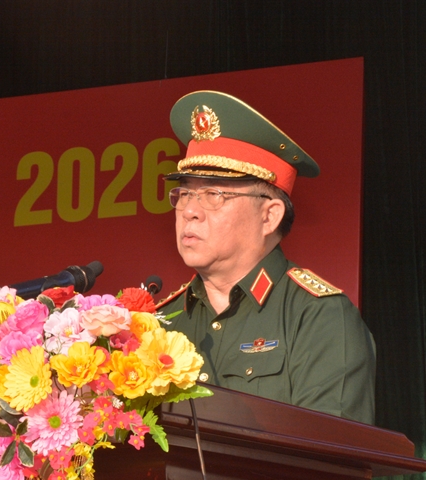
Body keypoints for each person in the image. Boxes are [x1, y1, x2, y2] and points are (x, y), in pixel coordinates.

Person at [157, 90, 376, 426]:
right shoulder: (159, 321)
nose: (189, 211)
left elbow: (331, 451)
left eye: (213, 194)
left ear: (269, 216)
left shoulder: (319, 316)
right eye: (184, 193)